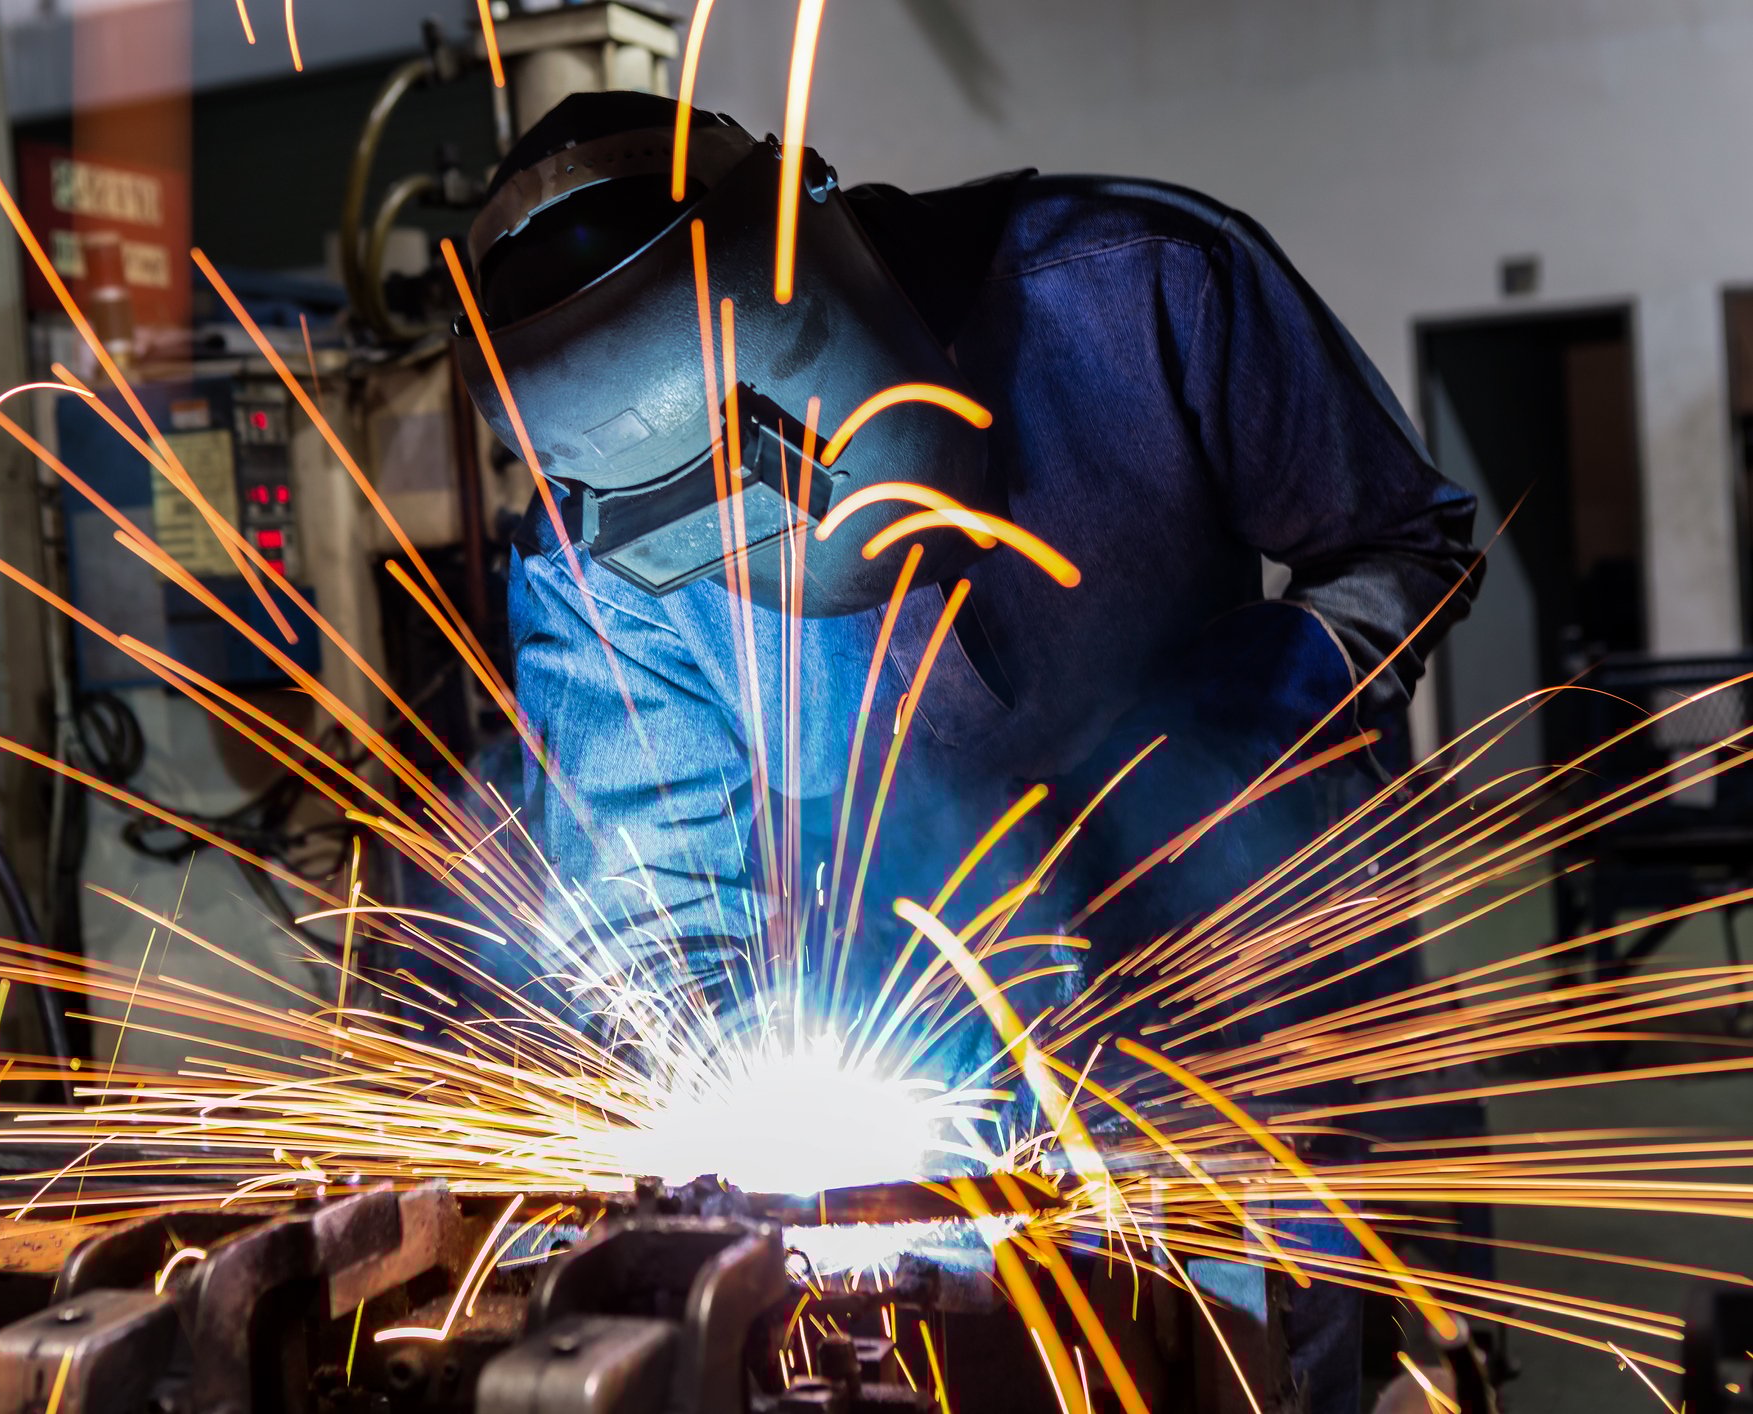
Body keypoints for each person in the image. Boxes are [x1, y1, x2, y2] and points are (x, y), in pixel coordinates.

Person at [452, 91, 1479, 1410]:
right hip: (925, 1061)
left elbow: (1405, 538)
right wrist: (742, 1079)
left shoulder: (1145, 285)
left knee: (1292, 1348)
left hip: (1246, 994)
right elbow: (652, 899)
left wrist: (1234, 737)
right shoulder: (588, 555)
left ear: (803, 265)